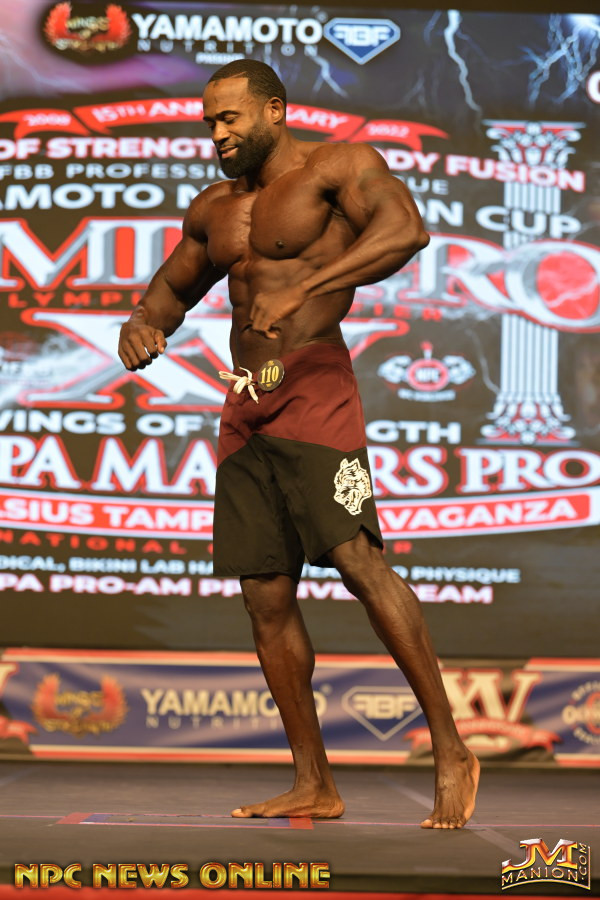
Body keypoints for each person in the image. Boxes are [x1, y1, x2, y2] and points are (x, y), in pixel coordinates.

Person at [118, 59, 479, 829]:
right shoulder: (215, 208)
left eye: (229, 119)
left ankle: (451, 747)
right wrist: (142, 323)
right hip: (245, 404)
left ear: (274, 111)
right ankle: (314, 780)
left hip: (313, 386)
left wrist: (307, 287)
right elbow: (173, 289)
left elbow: (406, 231)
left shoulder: (335, 169)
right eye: (209, 123)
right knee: (265, 594)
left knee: (356, 561)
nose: (217, 134)